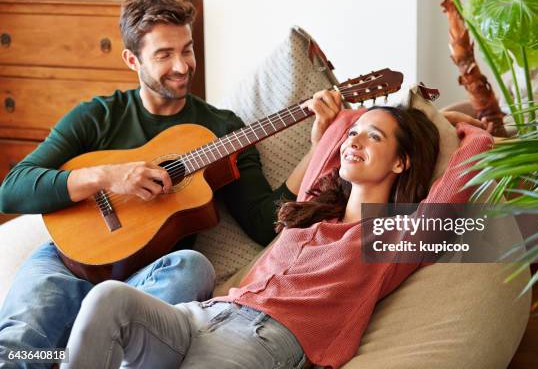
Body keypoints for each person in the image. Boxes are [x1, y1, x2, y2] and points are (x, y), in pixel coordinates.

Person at [0, 0, 342, 368]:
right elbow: (12, 189)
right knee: (17, 348)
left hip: (147, 280)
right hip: (68, 261)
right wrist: (108, 177)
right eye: (163, 55)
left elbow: (266, 223)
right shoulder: (98, 116)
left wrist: (319, 145)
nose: (181, 66)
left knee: (194, 266)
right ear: (133, 59)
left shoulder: (222, 129)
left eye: (187, 49)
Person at [59, 105, 492, 369]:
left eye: (373, 137)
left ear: (402, 163)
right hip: (204, 315)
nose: (353, 141)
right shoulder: (309, 212)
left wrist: (452, 127)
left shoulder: (392, 237)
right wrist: (348, 122)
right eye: (355, 134)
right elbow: (340, 127)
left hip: (261, 341)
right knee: (108, 298)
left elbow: (464, 173)